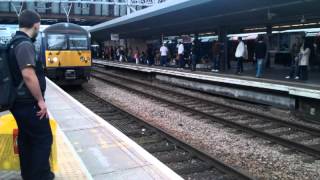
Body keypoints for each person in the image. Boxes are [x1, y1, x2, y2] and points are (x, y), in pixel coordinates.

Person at [8, 10, 54, 180]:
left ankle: (28, 175)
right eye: (39, 25)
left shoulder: (13, 42)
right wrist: (40, 101)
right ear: (36, 24)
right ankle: (41, 177)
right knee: (43, 139)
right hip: (28, 103)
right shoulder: (24, 44)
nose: (39, 28)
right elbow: (28, 75)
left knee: (27, 139)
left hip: (19, 101)